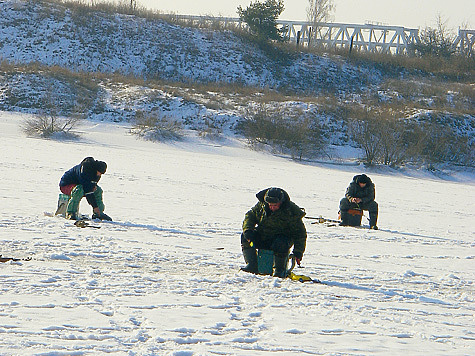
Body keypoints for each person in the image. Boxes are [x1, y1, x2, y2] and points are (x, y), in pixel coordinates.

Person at [241, 187, 307, 278]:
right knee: (245, 237)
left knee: (281, 242)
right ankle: (252, 265)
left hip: (280, 241)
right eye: (270, 205)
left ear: (281, 202)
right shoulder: (262, 206)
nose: (272, 207)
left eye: (275, 205)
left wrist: (298, 252)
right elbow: (250, 216)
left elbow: (300, 234)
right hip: (263, 236)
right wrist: (248, 230)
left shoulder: (291, 212)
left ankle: (279, 269)